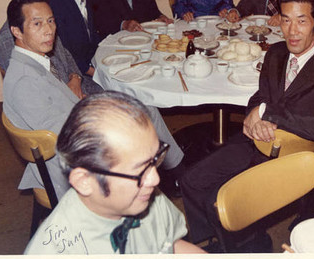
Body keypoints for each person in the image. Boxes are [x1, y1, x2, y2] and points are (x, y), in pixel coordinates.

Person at [181, 0, 314, 250]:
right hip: (255, 142)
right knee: (193, 180)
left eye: (301, 20)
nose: (291, 30)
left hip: (295, 155)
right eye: (285, 19)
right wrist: (254, 112)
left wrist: (268, 113)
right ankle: (212, 243)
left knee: (222, 202)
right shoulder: (275, 53)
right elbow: (260, 97)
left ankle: (251, 245)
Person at [3, 0, 185, 200]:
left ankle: (177, 169)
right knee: (139, 121)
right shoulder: (24, 81)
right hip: (71, 170)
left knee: (143, 107)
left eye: (51, 21)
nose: (48, 30)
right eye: (37, 24)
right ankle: (174, 174)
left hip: (77, 133)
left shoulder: (34, 63)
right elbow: (62, 142)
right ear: (17, 31)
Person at [25, 91, 205, 255]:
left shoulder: (144, 195)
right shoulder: (55, 251)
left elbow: (171, 245)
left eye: (154, 159)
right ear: (84, 181)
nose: (155, 179)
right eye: (140, 170)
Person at [0, 0, 101, 97]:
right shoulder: (8, 37)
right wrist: (69, 97)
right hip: (54, 98)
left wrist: (75, 78)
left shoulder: (46, 22)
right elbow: (31, 91)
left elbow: (66, 55)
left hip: (74, 84)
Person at [49, 0, 100, 76]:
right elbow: (63, 51)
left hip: (92, 62)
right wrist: (94, 72)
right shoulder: (55, 5)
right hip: (73, 73)